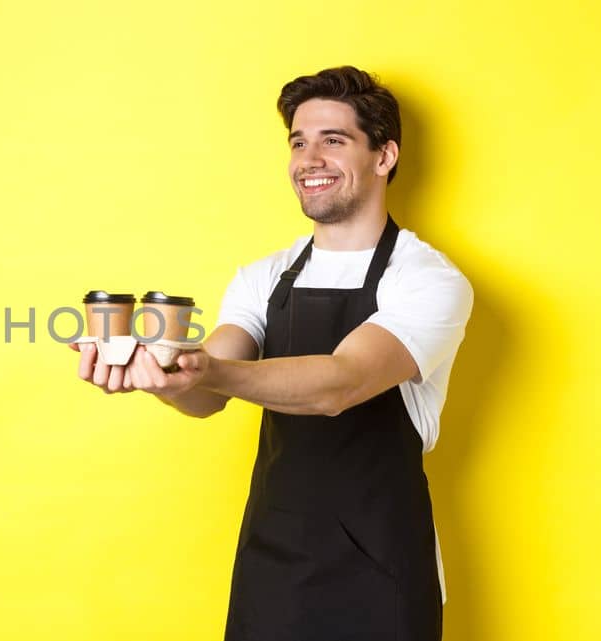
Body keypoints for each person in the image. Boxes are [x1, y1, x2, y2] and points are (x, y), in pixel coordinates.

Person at [71, 66, 472, 640]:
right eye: (298, 142)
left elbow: (342, 383)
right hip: (273, 563)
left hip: (382, 567)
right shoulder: (264, 277)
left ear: (384, 156)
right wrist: (163, 378)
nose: (309, 159)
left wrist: (207, 370)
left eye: (333, 141)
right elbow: (206, 395)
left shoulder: (427, 278)